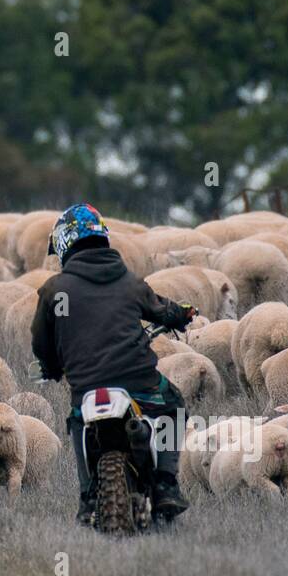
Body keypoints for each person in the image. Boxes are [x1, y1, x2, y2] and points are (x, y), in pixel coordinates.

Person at [30, 202, 195, 525]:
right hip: (140, 384)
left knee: (78, 422)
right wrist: (184, 313)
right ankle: (165, 483)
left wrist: (50, 367)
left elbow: (41, 341)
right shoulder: (129, 282)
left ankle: (87, 497)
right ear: (102, 237)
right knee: (174, 405)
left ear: (64, 244)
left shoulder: (55, 290)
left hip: (87, 388)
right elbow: (163, 310)